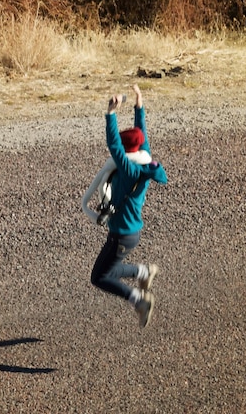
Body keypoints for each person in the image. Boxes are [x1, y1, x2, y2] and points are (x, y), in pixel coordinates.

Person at [87, 84, 168, 328]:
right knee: (108, 270)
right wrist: (138, 103)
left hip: (121, 235)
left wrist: (110, 114)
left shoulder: (129, 169)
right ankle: (143, 273)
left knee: (100, 277)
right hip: (129, 233)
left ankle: (139, 299)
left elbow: (114, 145)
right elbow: (140, 132)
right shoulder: (144, 159)